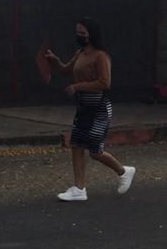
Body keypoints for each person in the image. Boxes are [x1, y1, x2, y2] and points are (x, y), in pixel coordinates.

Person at [45, 18, 135, 202]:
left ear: (91, 35)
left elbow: (105, 82)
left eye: (83, 33)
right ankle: (79, 188)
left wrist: (77, 87)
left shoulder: (101, 56)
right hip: (83, 107)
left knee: (95, 151)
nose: (79, 36)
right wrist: (55, 61)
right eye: (77, 32)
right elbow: (65, 70)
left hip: (99, 108)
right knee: (76, 145)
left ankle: (123, 171)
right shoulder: (80, 53)